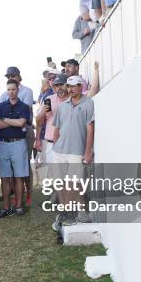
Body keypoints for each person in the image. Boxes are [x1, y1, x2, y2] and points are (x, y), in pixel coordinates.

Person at [52, 75, 95, 227]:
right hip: (59, 151)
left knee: (73, 184)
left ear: (80, 87)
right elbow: (56, 128)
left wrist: (88, 151)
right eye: (68, 87)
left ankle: (67, 214)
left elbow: (90, 129)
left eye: (73, 86)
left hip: (77, 152)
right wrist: (55, 146)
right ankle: (71, 213)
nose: (69, 89)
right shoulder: (63, 106)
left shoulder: (89, 103)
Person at [0, 80, 31, 217]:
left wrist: (6, 120)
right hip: (3, 143)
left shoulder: (25, 107)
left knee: (19, 176)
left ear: (18, 90)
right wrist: (13, 122)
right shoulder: (1, 106)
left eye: (13, 89)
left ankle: (19, 206)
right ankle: (7, 207)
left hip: (18, 143)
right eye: (8, 89)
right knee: (5, 177)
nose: (11, 92)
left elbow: (22, 122)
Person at [0, 67, 35, 206]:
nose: (11, 77)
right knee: (12, 168)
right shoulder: (4, 93)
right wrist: (11, 120)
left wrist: (7, 119)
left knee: (24, 164)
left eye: (13, 75)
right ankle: (18, 195)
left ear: (19, 76)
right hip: (8, 133)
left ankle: (29, 195)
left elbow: (21, 112)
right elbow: (0, 113)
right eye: (8, 75)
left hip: (25, 131)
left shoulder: (27, 91)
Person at [35, 74, 70, 180]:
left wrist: (96, 71)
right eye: (56, 86)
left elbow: (92, 92)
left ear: (68, 85)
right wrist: (38, 140)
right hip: (51, 144)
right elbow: (39, 122)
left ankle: (67, 197)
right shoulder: (49, 99)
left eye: (61, 85)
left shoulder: (75, 98)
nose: (58, 88)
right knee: (55, 175)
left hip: (70, 143)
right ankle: (59, 196)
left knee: (70, 176)